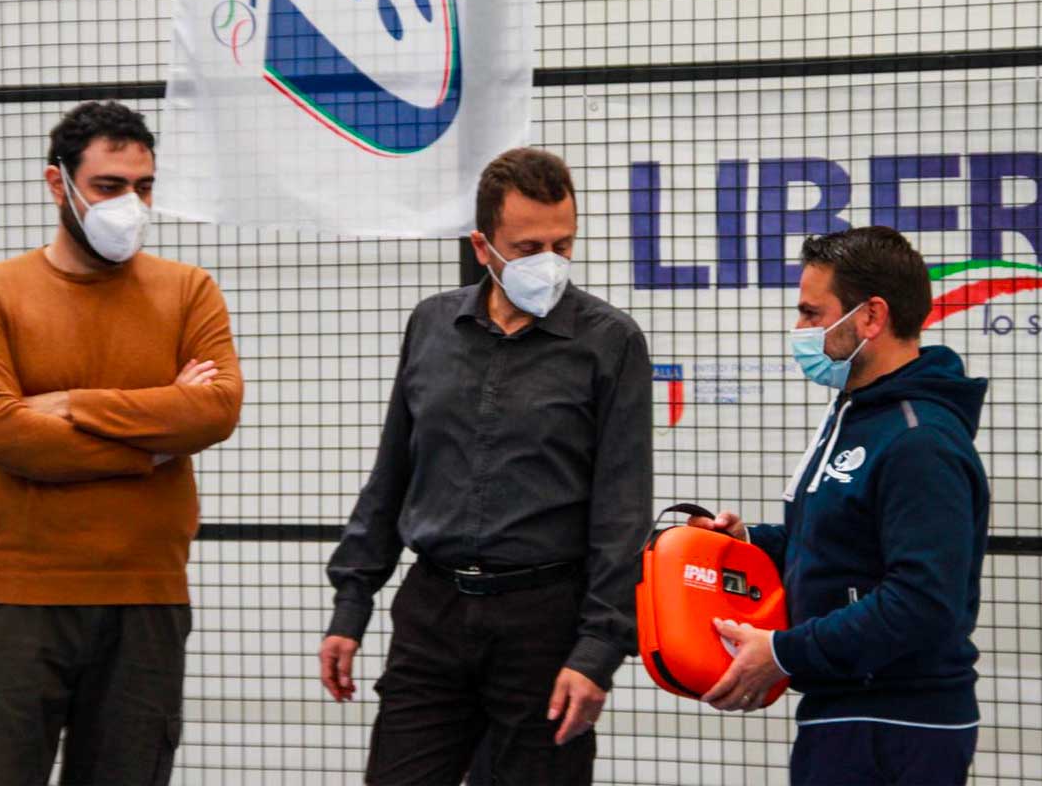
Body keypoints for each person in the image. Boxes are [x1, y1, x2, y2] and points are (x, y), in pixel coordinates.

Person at [319, 147, 653, 785]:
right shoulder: (432, 325)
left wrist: (598, 649)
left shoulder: (610, 343)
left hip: (544, 622)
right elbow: (392, 474)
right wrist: (351, 603)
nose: (549, 262)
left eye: (563, 245)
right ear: (482, 246)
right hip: (433, 611)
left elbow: (623, 509)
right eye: (527, 248)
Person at [0, 100, 243, 786]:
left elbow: (216, 409)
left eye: (144, 187)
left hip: (147, 597)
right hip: (17, 596)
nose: (130, 205)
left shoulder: (189, 291)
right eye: (108, 186)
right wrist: (154, 444)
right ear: (59, 183)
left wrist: (71, 403)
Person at [691, 226, 989, 786]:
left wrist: (785, 652)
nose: (799, 330)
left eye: (812, 313)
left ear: (871, 317)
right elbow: (838, 542)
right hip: (847, 710)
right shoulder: (857, 415)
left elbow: (922, 602)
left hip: (898, 724)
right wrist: (749, 542)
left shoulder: (919, 441)